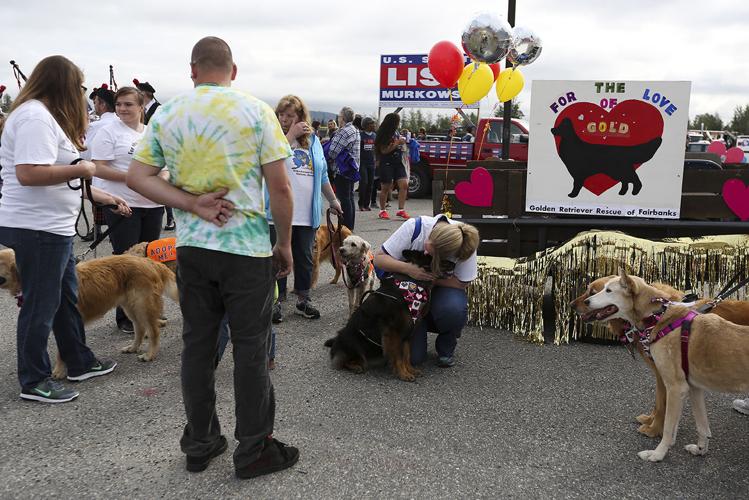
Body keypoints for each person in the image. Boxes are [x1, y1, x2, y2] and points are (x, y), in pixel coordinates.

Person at [127, 36, 299, 479]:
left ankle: (200, 442)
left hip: (194, 250)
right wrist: (283, 244)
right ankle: (254, 448)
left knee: (198, 347)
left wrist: (189, 203)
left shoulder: (166, 113)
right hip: (245, 251)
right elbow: (280, 188)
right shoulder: (256, 111)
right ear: (234, 72)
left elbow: (138, 177)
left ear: (192, 71)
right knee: (250, 349)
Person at [0, 55, 127, 403]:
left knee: (65, 299)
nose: (82, 94)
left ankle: (78, 361)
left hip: (51, 229)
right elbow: (29, 173)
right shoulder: (34, 118)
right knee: (41, 305)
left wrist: (103, 194)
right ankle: (34, 379)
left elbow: (60, 173)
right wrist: (83, 169)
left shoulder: (43, 118)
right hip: (36, 229)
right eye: (79, 86)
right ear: (64, 85)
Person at [90, 86, 165, 335]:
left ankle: (149, 310)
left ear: (141, 107)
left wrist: (163, 177)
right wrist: (133, 177)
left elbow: (163, 163)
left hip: (152, 204)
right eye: (119, 104)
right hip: (123, 204)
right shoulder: (108, 131)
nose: (122, 108)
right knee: (126, 262)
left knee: (151, 261)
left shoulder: (150, 132)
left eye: (128, 104)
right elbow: (97, 168)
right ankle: (126, 316)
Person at [270, 94, 342, 322]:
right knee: (277, 257)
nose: (283, 119)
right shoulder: (273, 137)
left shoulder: (314, 142)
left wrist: (332, 200)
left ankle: (303, 299)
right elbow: (272, 162)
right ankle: (275, 302)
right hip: (277, 211)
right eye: (281, 114)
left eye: (289, 115)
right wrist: (290, 136)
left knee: (304, 257)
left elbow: (322, 175)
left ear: (301, 117)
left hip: (305, 212)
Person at [373, 215, 479, 367]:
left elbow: (462, 283)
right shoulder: (415, 227)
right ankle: (414, 327)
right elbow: (378, 259)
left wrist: (429, 279)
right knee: (414, 359)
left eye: (431, 255)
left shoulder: (464, 244)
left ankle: (446, 345)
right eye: (427, 247)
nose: (425, 253)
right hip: (409, 289)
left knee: (453, 308)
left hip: (440, 289)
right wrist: (409, 269)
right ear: (433, 232)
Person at [134, 77, 175, 230]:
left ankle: (170, 218)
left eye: (139, 93)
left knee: (162, 183)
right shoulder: (144, 109)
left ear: (145, 95)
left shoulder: (158, 109)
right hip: (148, 149)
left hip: (160, 149)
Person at [81, 83, 118, 242]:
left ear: (102, 104)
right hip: (120, 174)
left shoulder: (96, 126)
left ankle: (98, 232)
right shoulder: (121, 123)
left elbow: (86, 153)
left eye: (96, 102)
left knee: (101, 206)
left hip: (101, 175)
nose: (94, 105)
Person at [325, 106, 360, 230]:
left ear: (343, 118)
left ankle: (345, 228)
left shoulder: (344, 131)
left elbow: (332, 152)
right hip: (352, 169)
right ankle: (349, 227)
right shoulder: (354, 129)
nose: (338, 119)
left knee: (344, 199)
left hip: (342, 170)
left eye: (339, 116)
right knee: (349, 198)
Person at [375, 113, 409, 220]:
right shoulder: (384, 133)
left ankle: (401, 210)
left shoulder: (396, 132)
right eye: (397, 121)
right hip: (387, 162)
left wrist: (402, 143)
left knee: (403, 185)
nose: (399, 124)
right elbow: (384, 150)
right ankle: (382, 210)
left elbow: (397, 144)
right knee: (386, 187)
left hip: (398, 161)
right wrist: (396, 144)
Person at [358, 117, 376, 212]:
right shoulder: (360, 135)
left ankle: (367, 204)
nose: (373, 125)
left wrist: (377, 161)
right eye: (371, 123)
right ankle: (361, 204)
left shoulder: (374, 136)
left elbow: (376, 149)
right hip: (363, 163)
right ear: (366, 125)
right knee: (363, 183)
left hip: (371, 163)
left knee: (370, 184)